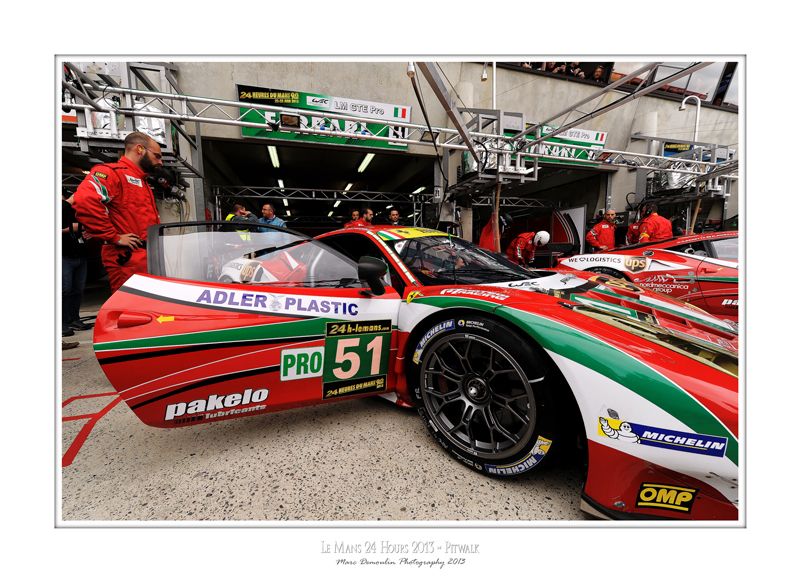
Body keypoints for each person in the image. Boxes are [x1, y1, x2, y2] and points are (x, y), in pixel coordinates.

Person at [73, 131, 162, 294]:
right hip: (128, 260)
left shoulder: (141, 181)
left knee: (145, 310)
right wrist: (113, 237)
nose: (160, 162)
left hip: (144, 258)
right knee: (130, 311)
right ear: (140, 149)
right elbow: (85, 200)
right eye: (157, 156)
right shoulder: (113, 172)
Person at [62, 190, 92, 337]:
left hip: (80, 255)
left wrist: (89, 231)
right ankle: (61, 323)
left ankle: (73, 319)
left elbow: (88, 223)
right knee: (63, 291)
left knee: (77, 290)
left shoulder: (73, 211)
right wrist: (82, 227)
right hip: (63, 257)